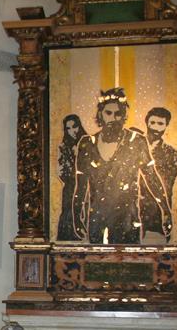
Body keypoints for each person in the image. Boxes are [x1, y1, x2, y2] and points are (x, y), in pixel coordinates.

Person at [72, 88, 171, 244]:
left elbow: (151, 177)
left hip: (127, 219)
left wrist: (165, 210)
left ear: (124, 116)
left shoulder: (136, 141)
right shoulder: (87, 144)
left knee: (130, 263)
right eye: (108, 113)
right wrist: (77, 216)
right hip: (97, 219)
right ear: (100, 114)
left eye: (118, 113)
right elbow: (81, 185)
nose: (113, 118)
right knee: (97, 264)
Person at [139, 106, 177, 241]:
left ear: (166, 125)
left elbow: (168, 183)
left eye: (161, 124)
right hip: (133, 205)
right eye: (153, 123)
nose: (156, 128)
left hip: (157, 208)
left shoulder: (170, 152)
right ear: (147, 123)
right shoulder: (135, 146)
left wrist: (165, 210)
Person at [56, 113, 87, 241]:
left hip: (86, 185)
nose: (72, 131)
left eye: (74, 127)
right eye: (68, 128)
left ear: (79, 126)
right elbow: (61, 171)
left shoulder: (87, 144)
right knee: (68, 213)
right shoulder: (63, 147)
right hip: (70, 186)